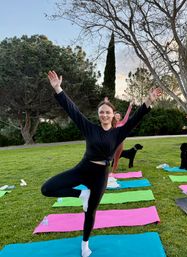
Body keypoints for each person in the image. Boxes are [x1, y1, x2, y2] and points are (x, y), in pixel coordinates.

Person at [41, 71, 162, 257]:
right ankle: (81, 194)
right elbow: (72, 110)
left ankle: (85, 244)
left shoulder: (118, 133)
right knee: (47, 189)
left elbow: (137, 117)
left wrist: (149, 100)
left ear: (113, 115)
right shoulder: (89, 127)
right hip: (83, 169)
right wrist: (58, 88)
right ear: (99, 115)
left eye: (108, 112)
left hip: (100, 176)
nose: (104, 115)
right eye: (102, 112)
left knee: (91, 211)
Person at [111, 102, 133, 172]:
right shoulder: (112, 123)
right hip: (111, 143)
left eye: (118, 116)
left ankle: (113, 172)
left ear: (120, 117)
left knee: (116, 159)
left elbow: (127, 115)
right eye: (116, 116)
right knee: (107, 157)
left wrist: (130, 106)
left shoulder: (122, 123)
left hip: (120, 143)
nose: (117, 117)